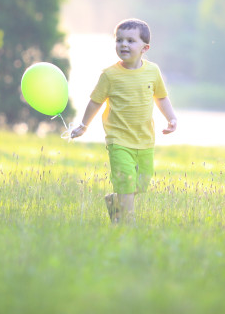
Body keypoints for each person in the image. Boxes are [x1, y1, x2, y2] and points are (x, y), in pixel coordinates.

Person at [70, 18, 177, 224]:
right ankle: (127, 222)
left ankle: (115, 203)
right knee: (125, 182)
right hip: (118, 140)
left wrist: (171, 118)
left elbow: (161, 97)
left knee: (140, 184)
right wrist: (83, 126)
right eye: (119, 40)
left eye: (130, 40)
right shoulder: (109, 75)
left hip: (145, 140)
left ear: (145, 47)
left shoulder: (152, 71)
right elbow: (95, 102)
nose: (124, 45)